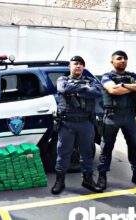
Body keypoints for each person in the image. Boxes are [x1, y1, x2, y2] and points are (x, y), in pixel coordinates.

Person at [97, 50, 136, 190]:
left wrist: (123, 86)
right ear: (112, 61)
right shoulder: (106, 76)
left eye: (125, 58)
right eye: (119, 58)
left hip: (129, 117)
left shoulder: (132, 75)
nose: (122, 61)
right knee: (106, 147)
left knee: (135, 146)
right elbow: (113, 91)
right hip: (112, 117)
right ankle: (102, 175)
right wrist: (132, 87)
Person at [51, 56, 103, 195]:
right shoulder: (62, 80)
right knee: (63, 153)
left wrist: (76, 90)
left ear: (83, 67)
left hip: (86, 123)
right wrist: (85, 88)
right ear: (70, 67)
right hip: (67, 123)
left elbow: (98, 92)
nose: (78, 66)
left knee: (87, 153)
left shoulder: (91, 81)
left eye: (81, 64)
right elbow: (64, 89)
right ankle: (59, 181)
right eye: (75, 64)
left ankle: (87, 180)